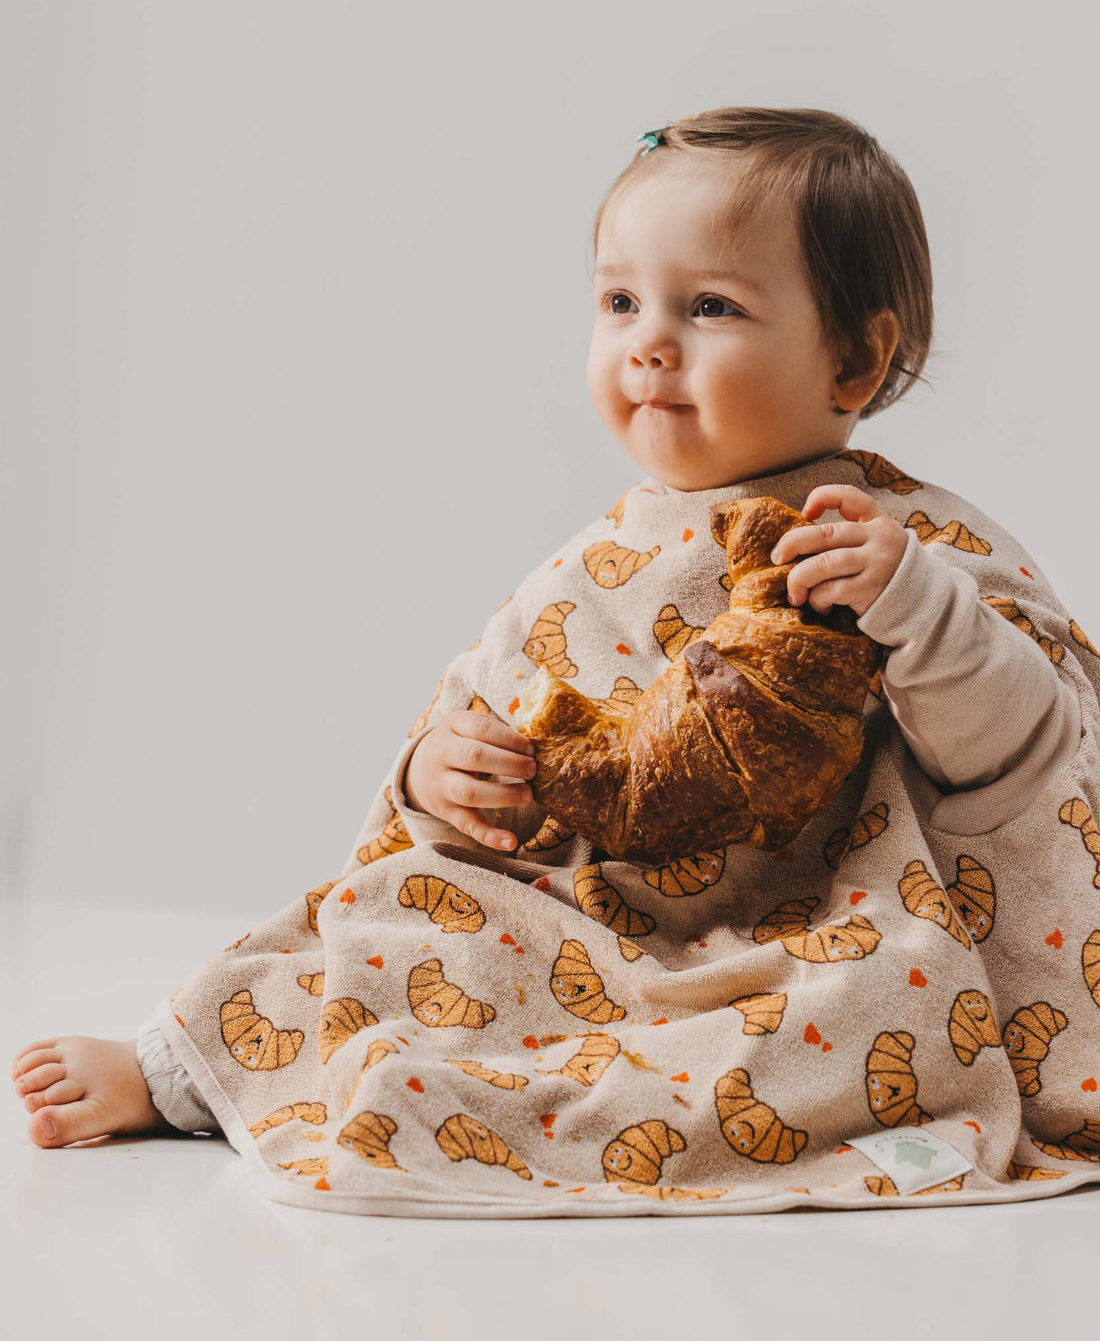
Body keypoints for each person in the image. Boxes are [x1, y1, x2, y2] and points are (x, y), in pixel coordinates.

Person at [11, 106, 1087, 1165]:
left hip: (811, 935)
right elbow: (489, 739)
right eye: (620, 301)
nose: (648, 345)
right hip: (603, 929)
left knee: (888, 996)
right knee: (392, 916)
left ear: (853, 361)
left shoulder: (897, 547)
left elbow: (1012, 765)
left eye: (708, 306)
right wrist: (440, 779)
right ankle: (179, 1070)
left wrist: (920, 611)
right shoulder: (594, 564)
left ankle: (609, 1095)